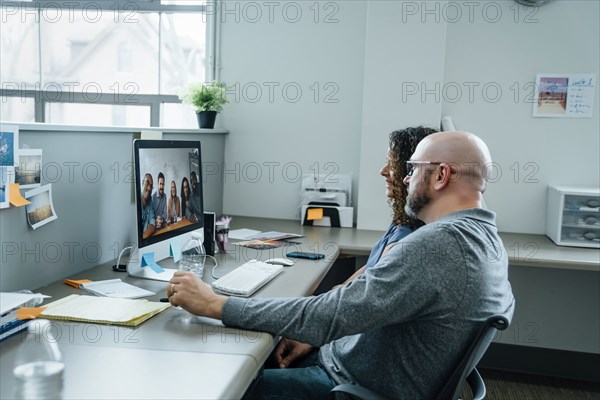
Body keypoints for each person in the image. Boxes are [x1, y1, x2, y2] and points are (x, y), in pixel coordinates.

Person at [167, 131, 515, 399]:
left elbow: (330, 315)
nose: (404, 179)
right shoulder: (486, 239)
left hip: (347, 388)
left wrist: (216, 304)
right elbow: (345, 310)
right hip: (360, 370)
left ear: (441, 175)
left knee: (218, 382)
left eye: (411, 169)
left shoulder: (438, 245)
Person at [336, 126, 438, 287]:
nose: (383, 171)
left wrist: (334, 293)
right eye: (386, 162)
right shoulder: (404, 219)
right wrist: (338, 288)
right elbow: (371, 267)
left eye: (393, 165)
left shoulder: (409, 240)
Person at [141, 173, 156, 239]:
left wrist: (142, 238)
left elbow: (152, 223)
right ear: (142, 183)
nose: (149, 188)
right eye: (147, 183)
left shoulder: (151, 202)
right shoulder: (134, 202)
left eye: (151, 186)